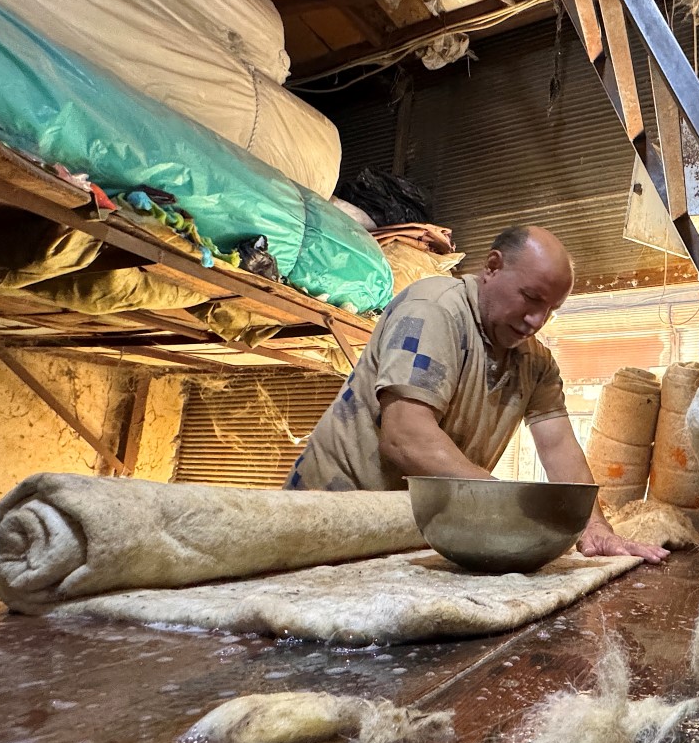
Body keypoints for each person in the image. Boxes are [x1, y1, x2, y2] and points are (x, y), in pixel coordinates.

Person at [286, 225, 668, 564]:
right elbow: (404, 438)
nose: (537, 321)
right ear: (492, 266)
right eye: (531, 297)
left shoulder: (536, 362)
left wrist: (594, 528)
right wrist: (506, 507)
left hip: (406, 535)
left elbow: (558, 448)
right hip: (327, 521)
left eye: (551, 309)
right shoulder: (434, 310)